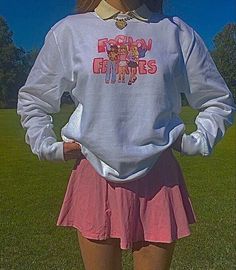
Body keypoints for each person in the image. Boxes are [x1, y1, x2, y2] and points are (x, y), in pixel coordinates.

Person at [16, 0, 235, 269]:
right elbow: (34, 99)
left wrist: (195, 142)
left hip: (159, 177)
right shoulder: (69, 31)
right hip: (94, 174)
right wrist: (49, 147)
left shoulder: (176, 32)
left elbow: (218, 99)